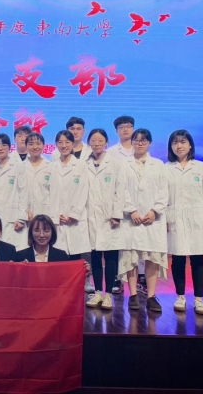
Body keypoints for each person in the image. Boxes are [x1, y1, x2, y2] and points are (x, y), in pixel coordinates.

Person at [165, 130, 203, 315]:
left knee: (198, 259)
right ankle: (180, 296)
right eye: (175, 142)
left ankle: (199, 299)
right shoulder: (166, 168)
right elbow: (163, 196)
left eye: (183, 142)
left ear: (190, 145)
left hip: (197, 219)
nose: (179, 146)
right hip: (175, 219)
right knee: (178, 259)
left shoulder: (201, 167)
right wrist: (164, 219)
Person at [119, 128, 169, 313]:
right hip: (130, 219)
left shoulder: (159, 165)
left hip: (152, 219)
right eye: (137, 140)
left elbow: (164, 190)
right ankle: (132, 295)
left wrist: (155, 211)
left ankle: (151, 296)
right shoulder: (123, 164)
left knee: (152, 257)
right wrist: (131, 210)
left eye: (144, 140)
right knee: (130, 257)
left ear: (149, 143)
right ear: (131, 142)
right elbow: (120, 189)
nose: (140, 143)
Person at [84, 129, 126, 311]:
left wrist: (116, 214)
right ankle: (97, 292)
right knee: (95, 256)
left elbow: (120, 190)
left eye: (100, 140)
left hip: (110, 217)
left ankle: (108, 294)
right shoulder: (84, 163)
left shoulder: (115, 163)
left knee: (110, 256)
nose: (96, 144)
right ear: (89, 143)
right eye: (93, 140)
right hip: (90, 216)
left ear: (106, 142)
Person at [49, 130, 90, 261]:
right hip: (58, 219)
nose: (64, 145)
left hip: (75, 219)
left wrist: (74, 214)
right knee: (59, 256)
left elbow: (83, 191)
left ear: (73, 144)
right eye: (60, 142)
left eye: (67, 142)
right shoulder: (51, 167)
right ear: (56, 144)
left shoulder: (81, 165)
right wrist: (56, 215)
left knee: (75, 256)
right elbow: (49, 193)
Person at [108, 115, 137, 295]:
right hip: (119, 203)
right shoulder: (111, 152)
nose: (125, 129)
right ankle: (118, 279)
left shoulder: (140, 148)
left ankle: (140, 278)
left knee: (138, 243)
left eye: (128, 126)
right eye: (121, 127)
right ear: (116, 131)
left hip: (139, 203)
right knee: (119, 244)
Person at [0, 134, 29, 250]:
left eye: (4, 145)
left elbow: (24, 193)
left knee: (14, 252)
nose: (0, 148)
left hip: (13, 218)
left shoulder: (18, 167)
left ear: (9, 147)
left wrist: (21, 218)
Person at [24, 132, 52, 220]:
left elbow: (55, 193)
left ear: (43, 146)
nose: (35, 147)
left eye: (38, 144)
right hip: (26, 214)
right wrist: (24, 211)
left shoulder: (51, 166)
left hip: (46, 212)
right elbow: (18, 193)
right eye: (31, 144)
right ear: (26, 146)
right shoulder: (20, 167)